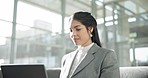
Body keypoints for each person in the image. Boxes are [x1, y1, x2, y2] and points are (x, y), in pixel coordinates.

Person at [60, 11, 120, 78]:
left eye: (78, 29)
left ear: (90, 29)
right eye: (71, 30)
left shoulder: (106, 56)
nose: (73, 34)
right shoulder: (66, 59)